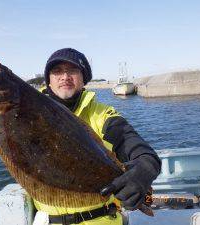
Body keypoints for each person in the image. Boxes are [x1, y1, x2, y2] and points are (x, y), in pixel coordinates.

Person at [33, 48, 161, 225]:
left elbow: (140, 150)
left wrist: (143, 169)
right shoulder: (31, 115)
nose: (65, 76)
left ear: (83, 78)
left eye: (72, 70)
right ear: (48, 80)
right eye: (57, 71)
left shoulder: (104, 116)